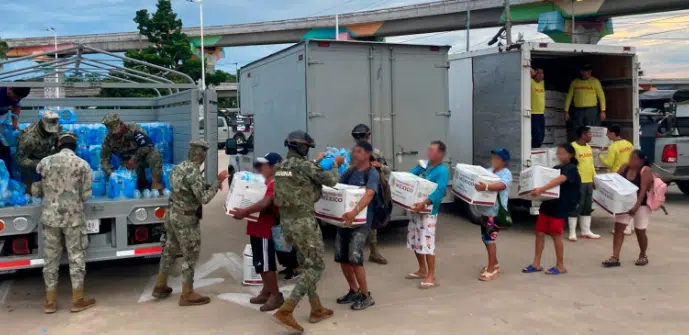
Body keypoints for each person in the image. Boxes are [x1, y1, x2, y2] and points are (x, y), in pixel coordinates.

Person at [271, 130, 343, 333]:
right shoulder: (304, 166)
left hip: (287, 223)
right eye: (306, 147)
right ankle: (287, 309)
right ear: (301, 147)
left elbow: (299, 180)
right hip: (304, 223)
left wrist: (317, 163)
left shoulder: (281, 167)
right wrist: (336, 163)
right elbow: (331, 181)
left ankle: (316, 308)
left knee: (306, 264)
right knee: (317, 267)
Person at [151, 140, 228, 307]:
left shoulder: (178, 168)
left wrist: (207, 185)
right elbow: (204, 198)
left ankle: (160, 285)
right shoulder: (193, 172)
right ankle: (187, 293)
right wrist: (218, 182)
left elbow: (186, 189)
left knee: (169, 250)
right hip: (186, 218)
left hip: (172, 214)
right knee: (190, 254)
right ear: (201, 155)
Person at [31, 132, 96, 314]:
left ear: (58, 144)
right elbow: (86, 195)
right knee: (76, 257)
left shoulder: (44, 162)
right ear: (75, 146)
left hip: (50, 218)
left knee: (51, 259)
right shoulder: (83, 165)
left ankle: (50, 302)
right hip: (73, 218)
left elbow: (36, 190)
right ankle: (77, 299)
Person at [232, 152, 284, 312]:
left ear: (274, 167)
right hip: (256, 227)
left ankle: (276, 295)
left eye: (264, 165)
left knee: (266, 265)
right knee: (259, 263)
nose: (260, 168)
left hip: (265, 230)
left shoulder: (275, 183)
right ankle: (266, 291)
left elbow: (264, 204)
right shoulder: (263, 182)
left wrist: (244, 211)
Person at [524, 143, 581, 276]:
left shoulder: (571, 168)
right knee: (539, 232)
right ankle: (536, 263)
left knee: (556, 235)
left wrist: (541, 189)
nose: (560, 156)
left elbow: (559, 180)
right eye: (558, 153)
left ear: (570, 154)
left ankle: (560, 265)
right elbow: (545, 180)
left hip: (560, 206)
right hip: (548, 204)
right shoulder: (556, 168)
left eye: (563, 153)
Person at [335, 141, 379, 310]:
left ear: (367, 154)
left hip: (361, 222)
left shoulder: (372, 173)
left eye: (359, 151)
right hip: (345, 220)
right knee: (342, 257)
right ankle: (354, 290)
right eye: (354, 151)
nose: (355, 154)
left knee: (355, 258)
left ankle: (366, 296)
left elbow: (369, 194)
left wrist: (355, 211)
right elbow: (338, 188)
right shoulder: (350, 171)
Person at [405, 141, 450, 289]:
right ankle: (422, 269)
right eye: (428, 149)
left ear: (440, 154)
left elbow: (439, 191)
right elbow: (410, 177)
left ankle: (431, 276)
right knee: (415, 240)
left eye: (432, 150)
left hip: (428, 212)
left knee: (427, 243)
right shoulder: (424, 166)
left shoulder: (442, 171)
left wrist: (424, 203)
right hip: (415, 209)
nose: (428, 152)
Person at [602, 150, 653, 268]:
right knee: (619, 228)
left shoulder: (645, 171)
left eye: (634, 158)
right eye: (630, 157)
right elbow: (614, 181)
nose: (631, 160)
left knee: (640, 231)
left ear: (641, 161)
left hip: (641, 205)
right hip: (624, 204)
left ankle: (643, 255)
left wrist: (636, 206)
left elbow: (643, 190)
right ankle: (615, 257)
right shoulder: (625, 167)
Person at [351, 123, 390, 265]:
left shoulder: (376, 153)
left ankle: (373, 252)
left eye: (362, 137)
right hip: (355, 191)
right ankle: (354, 252)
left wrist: (380, 166)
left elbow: (388, 171)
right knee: (354, 222)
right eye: (357, 138)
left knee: (372, 222)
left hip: (372, 190)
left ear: (368, 137)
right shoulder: (352, 153)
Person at [473, 148, 512, 281]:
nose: (493, 160)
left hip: (494, 213)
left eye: (497, 158)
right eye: (493, 157)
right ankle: (494, 263)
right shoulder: (488, 171)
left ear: (504, 162)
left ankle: (491, 269)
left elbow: (501, 185)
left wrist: (487, 187)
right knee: (485, 238)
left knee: (490, 240)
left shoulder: (506, 174)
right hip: (484, 211)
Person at [100, 113, 164, 192]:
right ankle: (141, 185)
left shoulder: (134, 129)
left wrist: (134, 158)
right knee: (135, 185)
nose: (116, 133)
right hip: (126, 165)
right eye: (113, 132)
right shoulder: (108, 139)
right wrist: (111, 173)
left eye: (117, 131)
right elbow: (104, 159)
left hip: (142, 158)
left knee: (154, 153)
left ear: (121, 124)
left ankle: (156, 184)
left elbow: (148, 146)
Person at [599, 124, 635, 236]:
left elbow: (609, 164)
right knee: (630, 200)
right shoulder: (629, 144)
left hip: (617, 177)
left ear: (613, 133)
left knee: (620, 203)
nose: (607, 135)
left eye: (608, 132)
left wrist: (600, 156)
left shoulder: (613, 147)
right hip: (630, 174)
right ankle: (631, 225)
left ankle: (625, 228)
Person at [16, 110, 61, 191]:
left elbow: (58, 144)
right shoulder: (29, 138)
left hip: (47, 155)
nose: (51, 133)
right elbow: (20, 159)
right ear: (42, 124)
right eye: (48, 130)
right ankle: (29, 191)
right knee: (28, 176)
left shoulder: (57, 128)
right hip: (31, 159)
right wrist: (36, 165)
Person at [570, 126, 600, 241]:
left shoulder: (588, 147)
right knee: (576, 205)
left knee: (587, 206)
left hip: (588, 181)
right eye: (589, 134)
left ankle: (586, 231)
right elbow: (571, 165)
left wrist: (594, 178)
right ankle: (572, 232)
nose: (591, 136)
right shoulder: (573, 146)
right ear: (583, 134)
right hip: (579, 181)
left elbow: (591, 164)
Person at [564, 64, 607, 134]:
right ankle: (578, 144)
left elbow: (601, 96)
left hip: (591, 110)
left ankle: (591, 144)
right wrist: (566, 111)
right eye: (586, 71)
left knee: (591, 129)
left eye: (590, 71)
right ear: (581, 72)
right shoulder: (575, 82)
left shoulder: (595, 81)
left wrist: (603, 110)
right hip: (578, 110)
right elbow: (569, 97)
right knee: (578, 129)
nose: (589, 72)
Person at [0, 86, 31, 177]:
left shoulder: (15, 96)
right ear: (10, 89)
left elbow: (16, 107)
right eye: (15, 97)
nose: (16, 99)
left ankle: (8, 177)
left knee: (5, 151)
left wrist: (14, 122)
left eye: (19, 98)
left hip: (2, 122)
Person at [531, 68, 546, 148]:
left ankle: (536, 149)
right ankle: (532, 150)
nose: (541, 75)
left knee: (542, 135)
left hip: (541, 113)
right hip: (533, 114)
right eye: (538, 73)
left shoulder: (542, 83)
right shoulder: (530, 82)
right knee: (537, 135)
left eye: (542, 73)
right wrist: (532, 74)